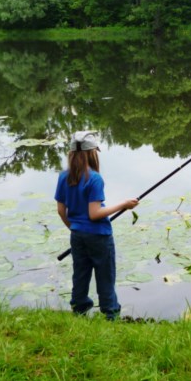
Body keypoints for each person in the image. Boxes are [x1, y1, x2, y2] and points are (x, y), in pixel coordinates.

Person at [55, 131, 139, 321]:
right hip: (99, 236)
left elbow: (61, 211)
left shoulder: (63, 177)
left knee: (80, 274)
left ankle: (79, 309)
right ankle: (111, 314)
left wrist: (74, 227)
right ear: (92, 153)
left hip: (77, 235)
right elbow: (94, 214)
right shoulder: (94, 179)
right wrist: (124, 205)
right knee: (105, 276)